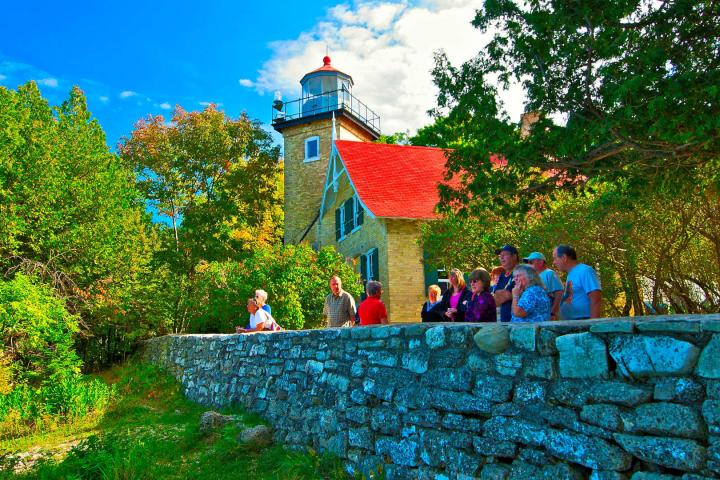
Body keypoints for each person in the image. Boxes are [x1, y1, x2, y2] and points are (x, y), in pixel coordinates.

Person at [552, 244, 602, 319]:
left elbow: (596, 299)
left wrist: (593, 324)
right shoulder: (570, 274)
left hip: (584, 322)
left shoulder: (585, 271)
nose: (554, 262)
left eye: (555, 258)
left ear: (564, 257)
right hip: (573, 323)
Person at [523, 252, 563, 320]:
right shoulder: (533, 276)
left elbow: (559, 293)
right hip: (537, 316)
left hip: (549, 316)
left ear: (541, 262)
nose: (528, 265)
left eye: (531, 262)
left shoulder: (550, 273)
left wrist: (553, 312)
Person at [492, 245, 520, 322]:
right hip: (504, 320)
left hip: (519, 321)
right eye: (500, 255)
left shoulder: (521, 273)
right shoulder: (502, 276)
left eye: (504, 255)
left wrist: (508, 295)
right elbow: (497, 299)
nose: (501, 257)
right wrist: (508, 294)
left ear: (514, 256)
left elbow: (510, 295)